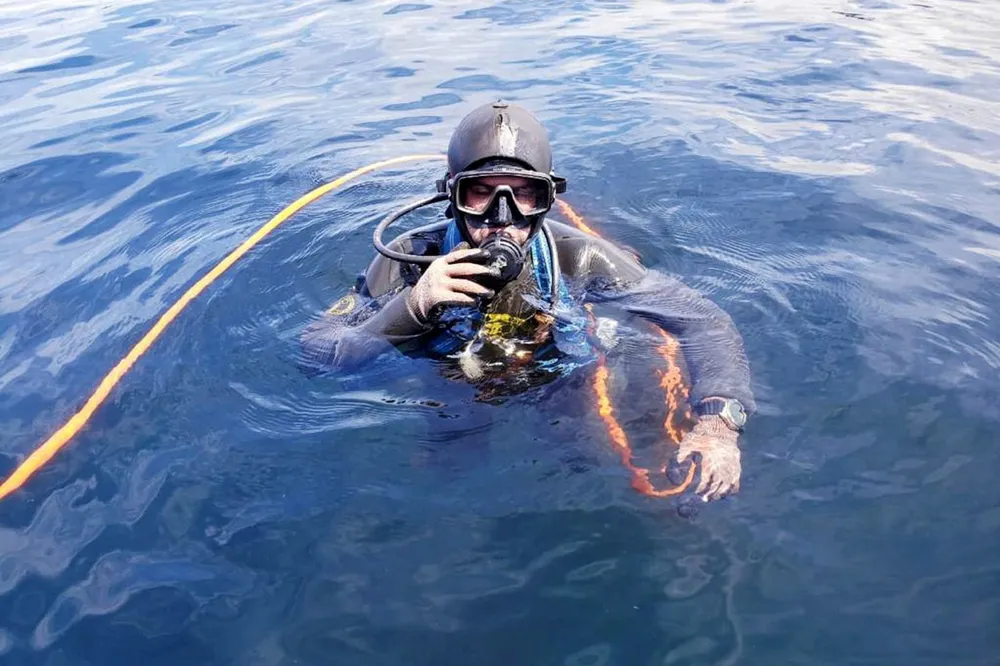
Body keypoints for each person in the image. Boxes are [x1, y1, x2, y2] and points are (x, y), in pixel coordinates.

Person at [300, 101, 755, 502]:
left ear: (546, 199)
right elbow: (319, 354)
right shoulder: (409, 261)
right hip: (450, 382)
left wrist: (718, 424)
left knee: (583, 464)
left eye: (522, 195)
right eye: (481, 194)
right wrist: (412, 306)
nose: (502, 219)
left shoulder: (580, 258)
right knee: (451, 468)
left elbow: (703, 320)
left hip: (554, 372)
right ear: (452, 196)